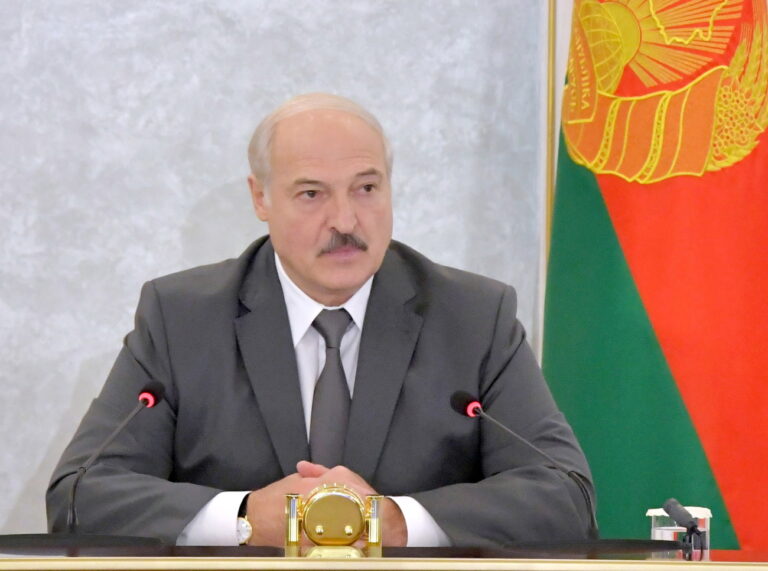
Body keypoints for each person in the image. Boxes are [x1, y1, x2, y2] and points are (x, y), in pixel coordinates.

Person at [47, 93, 595, 548]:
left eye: (367, 187)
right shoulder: (182, 316)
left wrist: (394, 521)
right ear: (260, 197)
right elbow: (79, 494)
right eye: (312, 193)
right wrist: (243, 518)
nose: (346, 220)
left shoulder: (473, 317)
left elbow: (565, 496)